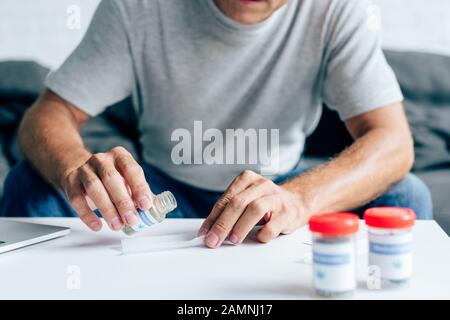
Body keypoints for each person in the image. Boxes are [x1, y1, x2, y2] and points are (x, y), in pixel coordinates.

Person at [0, 0, 432, 249]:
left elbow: (393, 140)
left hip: (277, 193)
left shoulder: (337, 8)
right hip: (160, 192)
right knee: (32, 185)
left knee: (404, 194)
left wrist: (299, 199)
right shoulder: (138, 7)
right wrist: (77, 166)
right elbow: (48, 112)